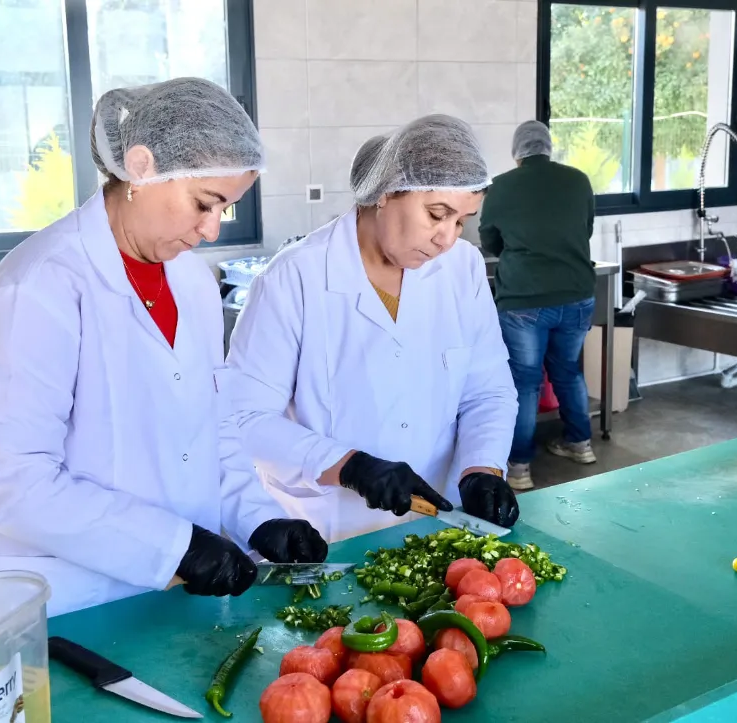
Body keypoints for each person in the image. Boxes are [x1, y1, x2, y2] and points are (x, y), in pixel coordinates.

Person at [0, 77, 327, 616]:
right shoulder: (35, 291)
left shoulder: (190, 284)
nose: (212, 230)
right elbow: (14, 486)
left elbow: (212, 428)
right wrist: (176, 547)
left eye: (226, 209)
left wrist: (258, 517)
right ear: (142, 168)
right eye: (203, 203)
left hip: (157, 594)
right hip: (51, 605)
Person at [226, 116, 520, 543]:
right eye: (437, 214)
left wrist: (481, 467)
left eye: (461, 221)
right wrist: (348, 465)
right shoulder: (296, 277)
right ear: (385, 192)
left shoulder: (462, 268)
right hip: (327, 530)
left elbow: (488, 390)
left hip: (435, 522)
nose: (447, 239)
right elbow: (244, 418)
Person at [478, 120, 597, 491]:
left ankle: (519, 469)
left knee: (525, 384)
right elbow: (586, 228)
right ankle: (580, 444)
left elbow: (489, 238)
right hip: (577, 293)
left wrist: (518, 256)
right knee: (568, 372)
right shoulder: (578, 180)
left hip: (524, 301)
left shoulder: (500, 187)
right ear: (549, 147)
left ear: (517, 153)